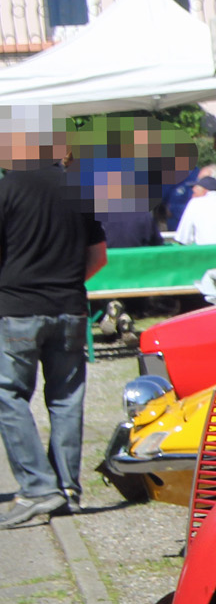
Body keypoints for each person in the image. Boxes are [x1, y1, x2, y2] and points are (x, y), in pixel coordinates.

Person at [0, 109, 107, 525]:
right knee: (65, 399)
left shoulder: (7, 189)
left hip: (18, 309)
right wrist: (63, 282)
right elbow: (99, 257)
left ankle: (37, 488)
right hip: (70, 307)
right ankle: (66, 488)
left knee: (8, 395)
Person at [175, 174, 216, 244]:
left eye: (194, 193)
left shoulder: (195, 203)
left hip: (206, 253)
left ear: (205, 191)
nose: (192, 196)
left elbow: (183, 238)